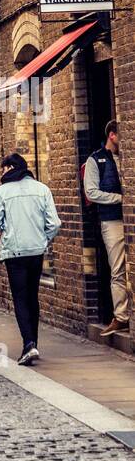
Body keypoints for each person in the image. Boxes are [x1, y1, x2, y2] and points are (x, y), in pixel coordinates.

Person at [0, 152, 61, 366]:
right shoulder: (42, 189)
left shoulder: (2, 192)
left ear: (10, 168)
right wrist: (42, 239)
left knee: (20, 298)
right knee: (32, 296)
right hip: (36, 251)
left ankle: (29, 344)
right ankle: (34, 343)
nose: (2, 173)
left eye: (4, 169)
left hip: (15, 252)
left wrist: (8, 227)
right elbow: (54, 223)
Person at [85, 120, 131, 335]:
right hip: (112, 221)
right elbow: (92, 192)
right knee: (118, 269)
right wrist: (121, 198)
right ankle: (121, 316)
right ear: (112, 135)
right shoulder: (96, 160)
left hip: (129, 219)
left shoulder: (128, 157)